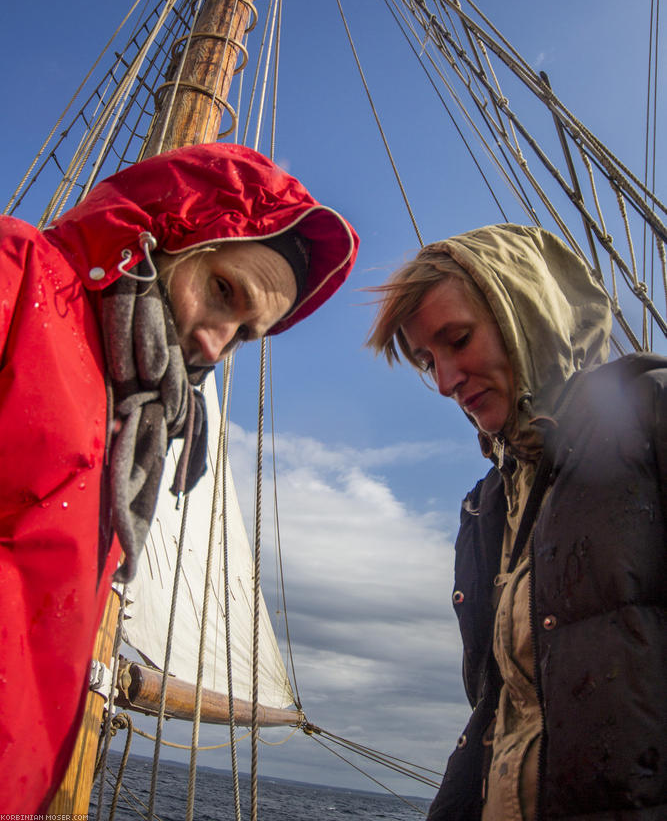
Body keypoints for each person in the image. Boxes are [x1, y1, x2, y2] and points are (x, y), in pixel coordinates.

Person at [0, 141, 359, 812]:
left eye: (244, 335)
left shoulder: (129, 421)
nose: (214, 345)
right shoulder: (16, 276)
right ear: (164, 231)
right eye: (223, 291)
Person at [367, 224, 666, 821]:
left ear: (525, 313)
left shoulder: (650, 416)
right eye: (430, 361)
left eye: (458, 339)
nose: (448, 381)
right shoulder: (488, 510)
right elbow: (503, 711)